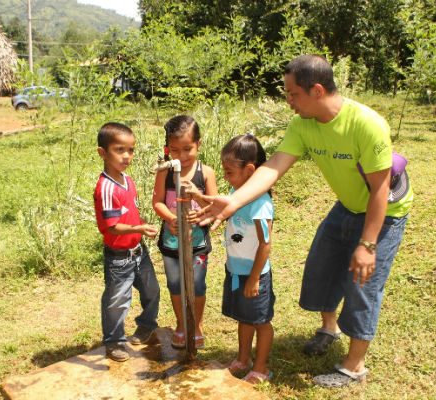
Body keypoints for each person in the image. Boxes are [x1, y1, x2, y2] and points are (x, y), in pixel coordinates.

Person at [194, 55, 413, 387]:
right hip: (347, 205)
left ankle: (354, 366)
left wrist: (368, 245)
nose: (289, 101)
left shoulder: (367, 124)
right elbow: (273, 167)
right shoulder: (302, 125)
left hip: (384, 211)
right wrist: (233, 201)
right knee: (322, 268)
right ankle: (329, 328)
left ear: (317, 90)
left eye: (293, 93)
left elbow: (380, 190)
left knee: (363, 285)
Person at [93, 122, 161, 362]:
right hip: (119, 258)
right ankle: (114, 341)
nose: (126, 156)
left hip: (138, 252)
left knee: (152, 290)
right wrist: (139, 228)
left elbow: (129, 212)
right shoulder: (106, 188)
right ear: (103, 153)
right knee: (117, 301)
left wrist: (139, 226)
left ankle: (147, 325)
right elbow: (111, 226)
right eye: (119, 150)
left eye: (131, 150)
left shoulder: (127, 180)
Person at [152, 115, 218, 349]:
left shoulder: (206, 172)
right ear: (167, 149)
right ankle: (181, 324)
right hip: (171, 243)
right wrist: (170, 218)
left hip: (197, 243)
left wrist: (199, 207)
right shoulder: (165, 173)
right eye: (175, 150)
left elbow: (214, 205)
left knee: (197, 286)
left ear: (198, 144)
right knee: (175, 284)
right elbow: (157, 202)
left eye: (188, 149)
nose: (181, 156)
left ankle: (196, 325)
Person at [217, 134, 275, 384]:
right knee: (244, 317)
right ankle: (243, 359)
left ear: (250, 170)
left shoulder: (260, 204)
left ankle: (261, 367)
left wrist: (254, 279)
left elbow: (265, 244)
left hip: (254, 275)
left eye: (229, 172)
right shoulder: (236, 192)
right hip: (236, 270)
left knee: (260, 321)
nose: (225, 177)